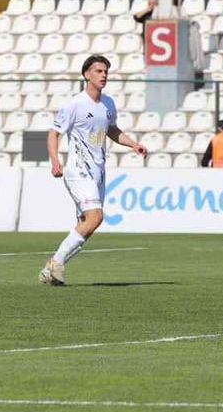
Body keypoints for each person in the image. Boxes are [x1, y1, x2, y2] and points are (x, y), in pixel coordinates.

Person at [39, 55, 148, 286]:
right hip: (78, 170)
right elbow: (53, 133)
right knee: (96, 217)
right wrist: (55, 161)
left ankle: (51, 271)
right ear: (87, 75)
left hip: (98, 171)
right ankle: (55, 263)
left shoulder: (108, 104)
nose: (104, 75)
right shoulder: (75, 104)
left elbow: (112, 130)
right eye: (98, 71)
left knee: (87, 224)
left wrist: (133, 144)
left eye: (106, 71)